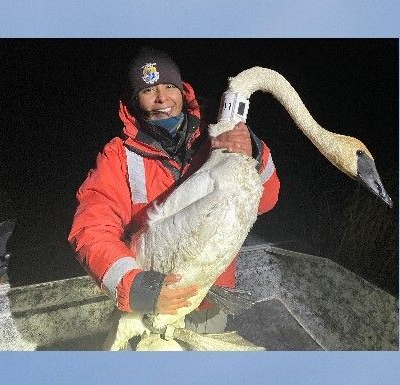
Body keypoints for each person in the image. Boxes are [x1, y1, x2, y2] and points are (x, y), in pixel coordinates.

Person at [68, 47, 280, 333]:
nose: (162, 98)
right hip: (152, 296)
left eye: (169, 86)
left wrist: (253, 154)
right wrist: (137, 287)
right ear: (135, 100)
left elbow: (264, 202)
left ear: (182, 90)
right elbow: (92, 228)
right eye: (148, 90)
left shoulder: (219, 137)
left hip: (210, 293)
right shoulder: (118, 156)